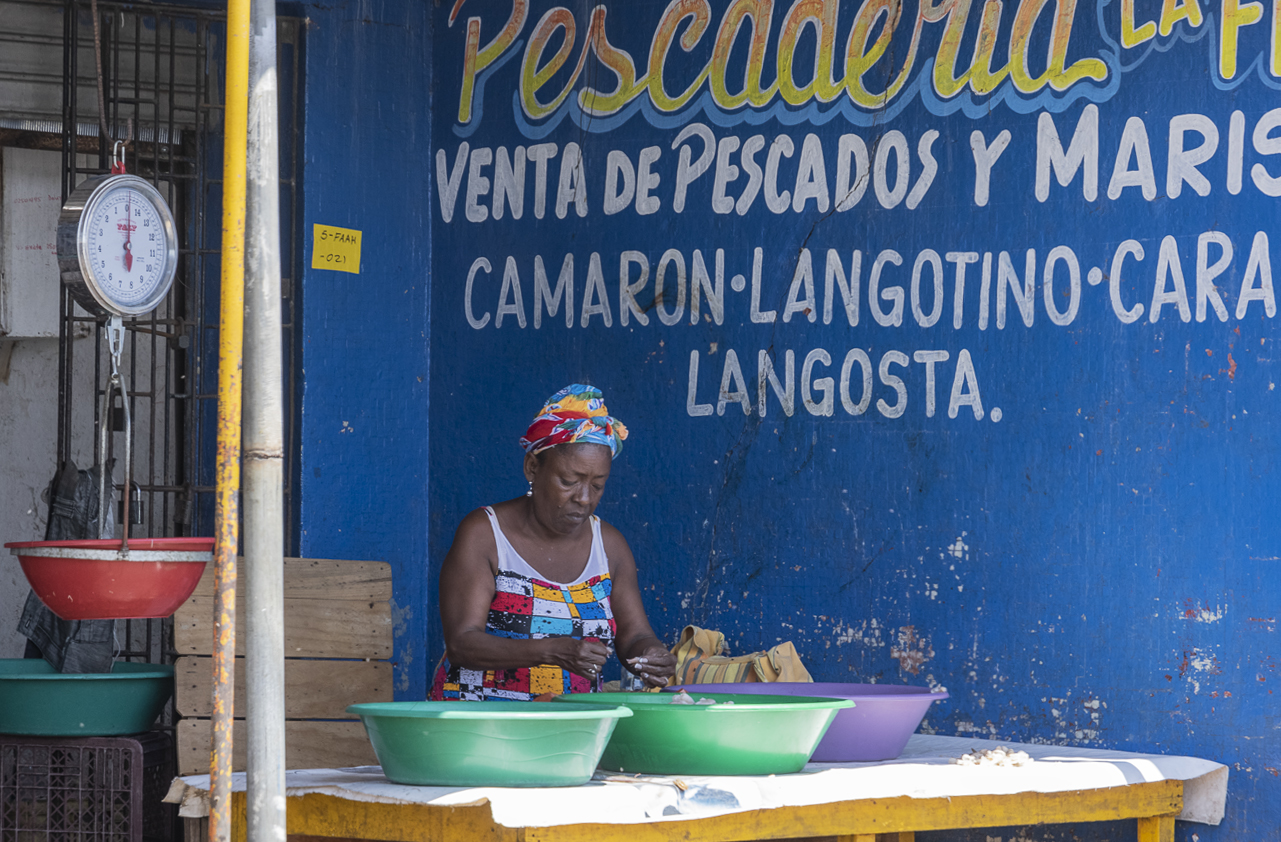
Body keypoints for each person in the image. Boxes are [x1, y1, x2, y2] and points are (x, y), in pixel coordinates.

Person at [430, 384, 676, 700]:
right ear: (533, 467)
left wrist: (651, 654)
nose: (584, 499)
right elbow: (463, 643)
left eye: (598, 485)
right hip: (478, 724)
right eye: (569, 482)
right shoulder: (485, 535)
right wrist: (552, 650)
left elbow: (635, 637)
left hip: (570, 729)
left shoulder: (609, 548)